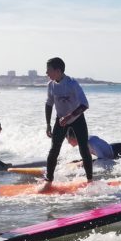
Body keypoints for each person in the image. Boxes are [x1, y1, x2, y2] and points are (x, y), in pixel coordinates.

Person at [43, 56, 92, 184]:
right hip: (60, 120)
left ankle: (90, 181)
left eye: (48, 70)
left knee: (84, 149)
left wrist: (69, 116)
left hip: (77, 118)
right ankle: (48, 181)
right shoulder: (51, 85)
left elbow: (85, 104)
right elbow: (49, 104)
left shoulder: (72, 83)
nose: (46, 73)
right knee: (54, 149)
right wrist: (48, 124)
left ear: (58, 70)